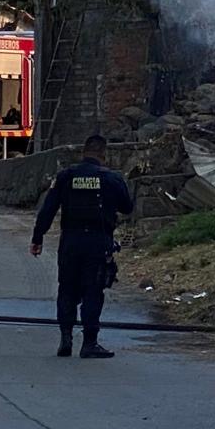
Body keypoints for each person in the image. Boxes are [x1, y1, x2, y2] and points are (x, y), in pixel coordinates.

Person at [31, 135, 133, 358]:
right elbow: (127, 207)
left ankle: (65, 339)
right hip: (98, 243)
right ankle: (89, 343)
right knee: (93, 291)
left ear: (83, 153)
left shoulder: (66, 177)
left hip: (70, 242)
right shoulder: (111, 179)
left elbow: (47, 210)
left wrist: (37, 238)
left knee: (66, 289)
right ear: (103, 155)